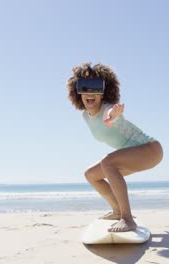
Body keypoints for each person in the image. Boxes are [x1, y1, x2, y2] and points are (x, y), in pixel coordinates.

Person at [66, 62, 163, 232]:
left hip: (150, 149)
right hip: (130, 155)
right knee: (91, 174)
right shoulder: (85, 116)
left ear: (104, 91)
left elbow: (110, 114)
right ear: (77, 91)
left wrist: (113, 115)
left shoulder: (107, 108)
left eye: (97, 87)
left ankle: (128, 219)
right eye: (85, 87)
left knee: (108, 162)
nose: (90, 92)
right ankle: (118, 211)